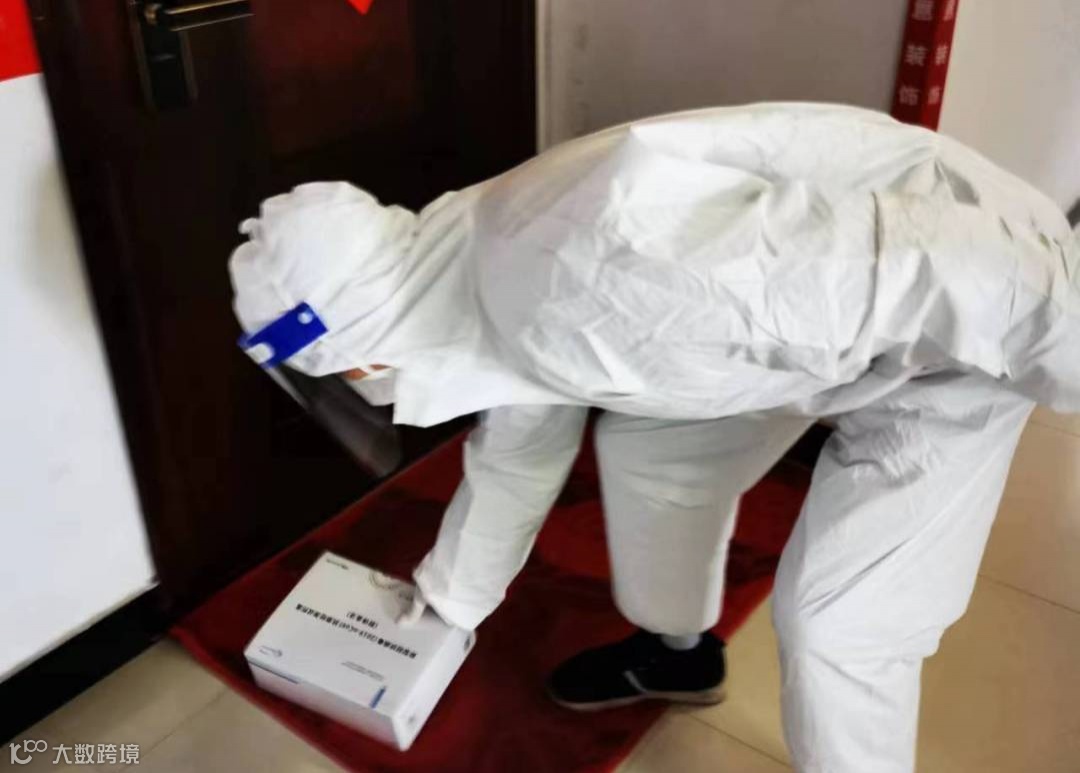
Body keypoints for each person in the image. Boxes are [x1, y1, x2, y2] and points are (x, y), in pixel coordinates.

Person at [229, 103, 1079, 773]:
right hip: (833, 334)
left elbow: (930, 266)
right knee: (653, 451)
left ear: (356, 339)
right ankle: (680, 653)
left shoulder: (584, 277)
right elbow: (519, 446)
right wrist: (450, 601)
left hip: (969, 319)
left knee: (838, 625)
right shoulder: (469, 267)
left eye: (342, 371)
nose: (361, 384)